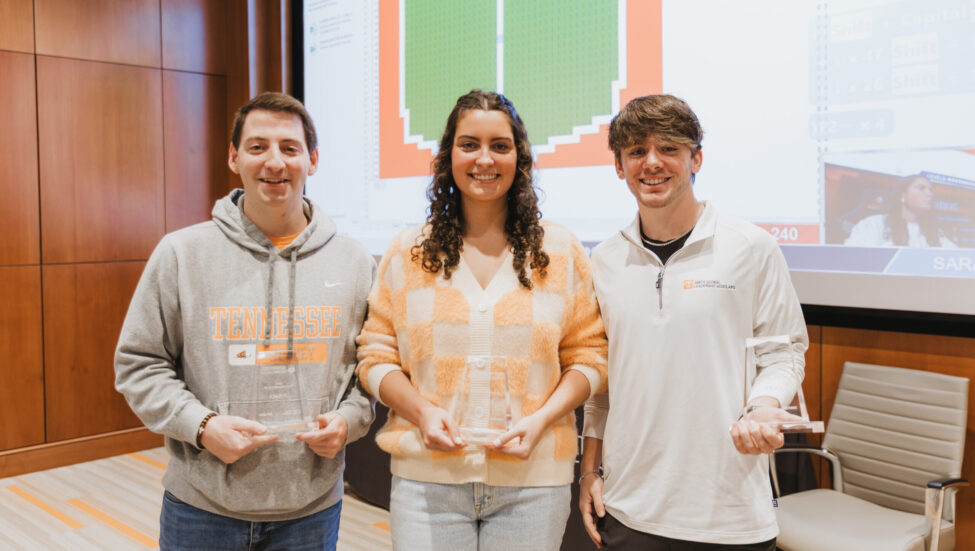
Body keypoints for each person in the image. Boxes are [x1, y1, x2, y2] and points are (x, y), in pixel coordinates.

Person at [115, 92, 376, 550]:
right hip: (201, 507)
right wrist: (201, 425)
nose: (274, 161)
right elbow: (139, 363)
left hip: (310, 511)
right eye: (257, 147)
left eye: (289, 148)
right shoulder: (181, 254)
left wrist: (350, 421)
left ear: (312, 160)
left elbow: (370, 368)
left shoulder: (354, 261)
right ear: (234, 157)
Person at [355, 90, 608, 551]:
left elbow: (590, 355)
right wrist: (421, 412)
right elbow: (375, 354)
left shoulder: (560, 251)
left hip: (533, 483)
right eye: (469, 144)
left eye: (500, 145)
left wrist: (543, 419)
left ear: (520, 157)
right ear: (448, 154)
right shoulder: (409, 251)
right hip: (426, 482)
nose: (484, 159)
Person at [578, 94, 809, 550]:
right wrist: (590, 470)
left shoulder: (751, 246)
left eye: (669, 149)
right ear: (619, 167)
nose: (652, 163)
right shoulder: (604, 260)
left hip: (728, 513)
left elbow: (784, 352)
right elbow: (603, 385)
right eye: (636, 152)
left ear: (695, 158)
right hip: (628, 508)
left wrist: (763, 405)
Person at [844, 174, 957, 247]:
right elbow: (853, 258)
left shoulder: (934, 231)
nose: (929, 194)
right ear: (902, 195)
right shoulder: (874, 224)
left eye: (930, 190)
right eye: (921, 188)